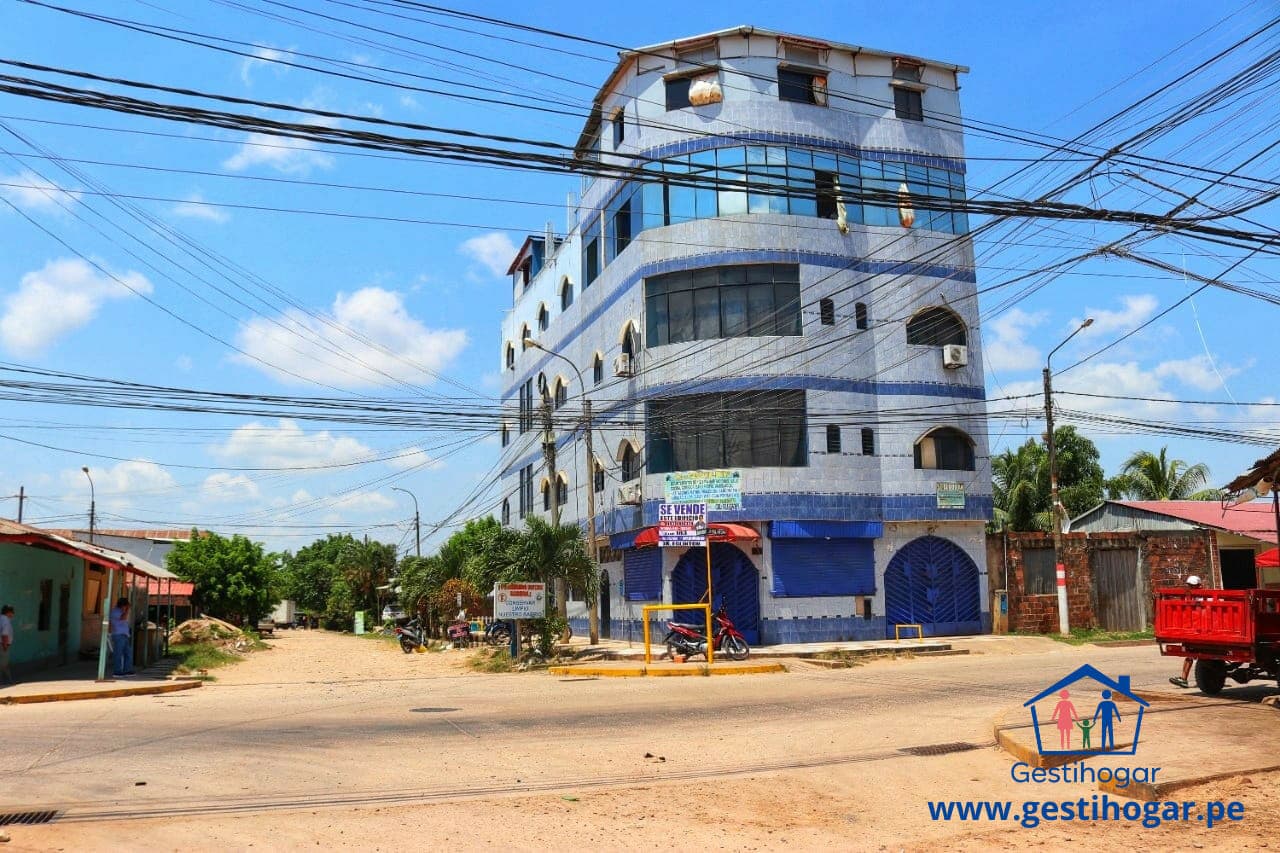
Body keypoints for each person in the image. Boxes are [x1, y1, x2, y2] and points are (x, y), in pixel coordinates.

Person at [1169, 574, 1203, 688]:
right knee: (1189, 653)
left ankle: (1186, 679)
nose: (1190, 588)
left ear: (1199, 586)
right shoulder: (1188, 597)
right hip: (1192, 629)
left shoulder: (1205, 597)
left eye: (1192, 586)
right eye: (1189, 586)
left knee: (1191, 654)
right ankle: (1184, 678)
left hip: (1201, 629)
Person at [109, 597, 134, 678]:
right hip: (118, 635)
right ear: (122, 605)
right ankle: (117, 671)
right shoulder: (115, 611)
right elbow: (123, 618)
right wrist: (127, 610)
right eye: (126, 606)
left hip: (125, 635)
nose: (126, 607)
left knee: (128, 653)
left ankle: (127, 670)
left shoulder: (121, 611)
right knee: (118, 653)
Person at [0, 604, 14, 685]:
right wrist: (5, 646)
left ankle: (9, 681)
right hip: (3, 645)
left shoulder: (1, 619)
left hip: (2, 644)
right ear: (9, 612)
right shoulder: (6, 620)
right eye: (12, 613)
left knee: (4, 664)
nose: (13, 615)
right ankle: (8, 681)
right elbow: (4, 634)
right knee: (3, 664)